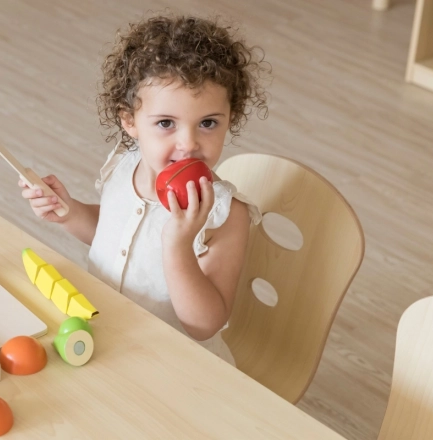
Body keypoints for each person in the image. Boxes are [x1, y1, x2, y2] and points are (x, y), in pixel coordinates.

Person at [19, 13, 269, 365]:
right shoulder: (125, 167)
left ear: (231, 118)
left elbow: (204, 325)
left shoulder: (225, 215)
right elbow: (110, 233)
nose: (189, 143)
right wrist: (69, 212)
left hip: (176, 366)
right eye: (166, 123)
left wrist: (179, 245)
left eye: (208, 123)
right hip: (106, 340)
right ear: (129, 121)